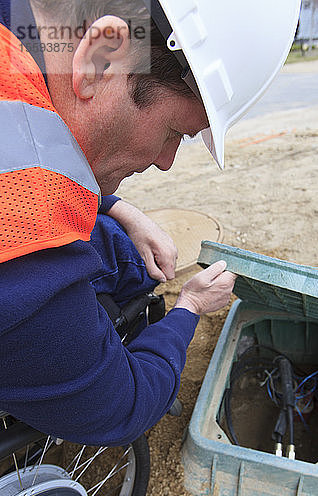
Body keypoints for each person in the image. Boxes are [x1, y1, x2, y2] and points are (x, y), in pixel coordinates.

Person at [0, 0, 301, 446]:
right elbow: (122, 406)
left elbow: (23, 147)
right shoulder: (29, 251)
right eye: (173, 132)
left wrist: (119, 207)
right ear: (102, 60)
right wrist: (190, 308)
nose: (164, 162)